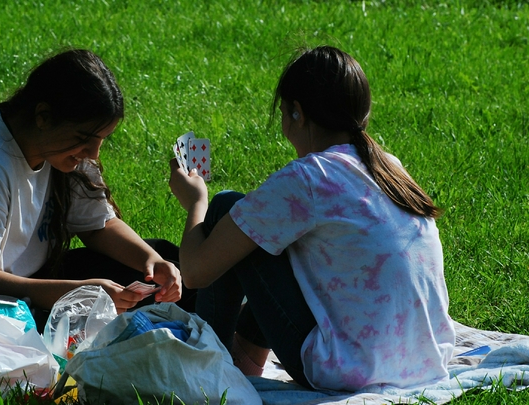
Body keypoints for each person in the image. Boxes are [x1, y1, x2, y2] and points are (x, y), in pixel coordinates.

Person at [168, 46, 455, 391]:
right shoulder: (389, 166)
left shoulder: (309, 177)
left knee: (227, 207)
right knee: (270, 233)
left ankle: (205, 368)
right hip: (422, 360)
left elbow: (196, 272)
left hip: (349, 370)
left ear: (297, 114)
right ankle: (242, 355)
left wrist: (197, 201)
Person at [0, 48, 189, 317]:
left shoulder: (59, 152)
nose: (93, 154)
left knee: (169, 262)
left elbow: (98, 225)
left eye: (101, 141)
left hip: (22, 280)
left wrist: (151, 260)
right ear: (43, 117)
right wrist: (75, 293)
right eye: (84, 139)